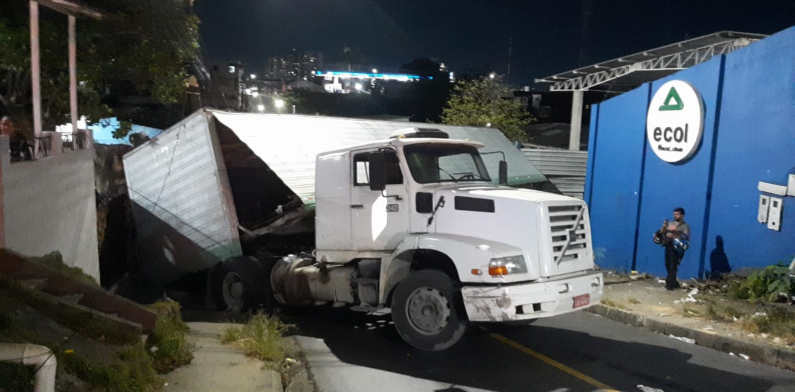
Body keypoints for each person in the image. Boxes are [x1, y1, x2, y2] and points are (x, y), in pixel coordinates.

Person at [658, 207, 691, 291]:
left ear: (682, 215)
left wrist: (673, 236)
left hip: (677, 249)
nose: (675, 216)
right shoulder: (670, 223)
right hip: (668, 247)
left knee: (673, 266)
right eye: (674, 214)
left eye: (677, 214)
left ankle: (670, 285)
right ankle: (674, 282)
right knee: (668, 265)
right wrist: (664, 227)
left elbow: (685, 237)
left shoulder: (685, 226)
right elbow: (661, 233)